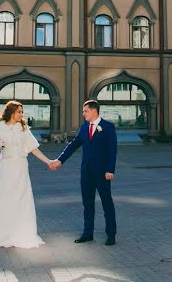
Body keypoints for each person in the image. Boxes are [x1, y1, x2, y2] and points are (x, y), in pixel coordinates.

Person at [0, 100, 54, 248]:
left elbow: (33, 148)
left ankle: (22, 233)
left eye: (22, 112)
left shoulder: (23, 128)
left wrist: (48, 161)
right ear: (11, 112)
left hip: (21, 165)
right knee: (5, 197)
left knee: (22, 197)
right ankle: (1, 234)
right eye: (19, 112)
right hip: (7, 166)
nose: (22, 114)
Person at [50, 100, 118, 246]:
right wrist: (59, 160)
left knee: (107, 203)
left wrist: (110, 170)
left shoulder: (108, 127)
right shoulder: (84, 127)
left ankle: (111, 234)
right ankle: (88, 234)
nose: (83, 114)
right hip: (86, 172)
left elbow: (112, 150)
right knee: (87, 204)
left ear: (94, 110)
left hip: (102, 173)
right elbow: (73, 145)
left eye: (85, 111)